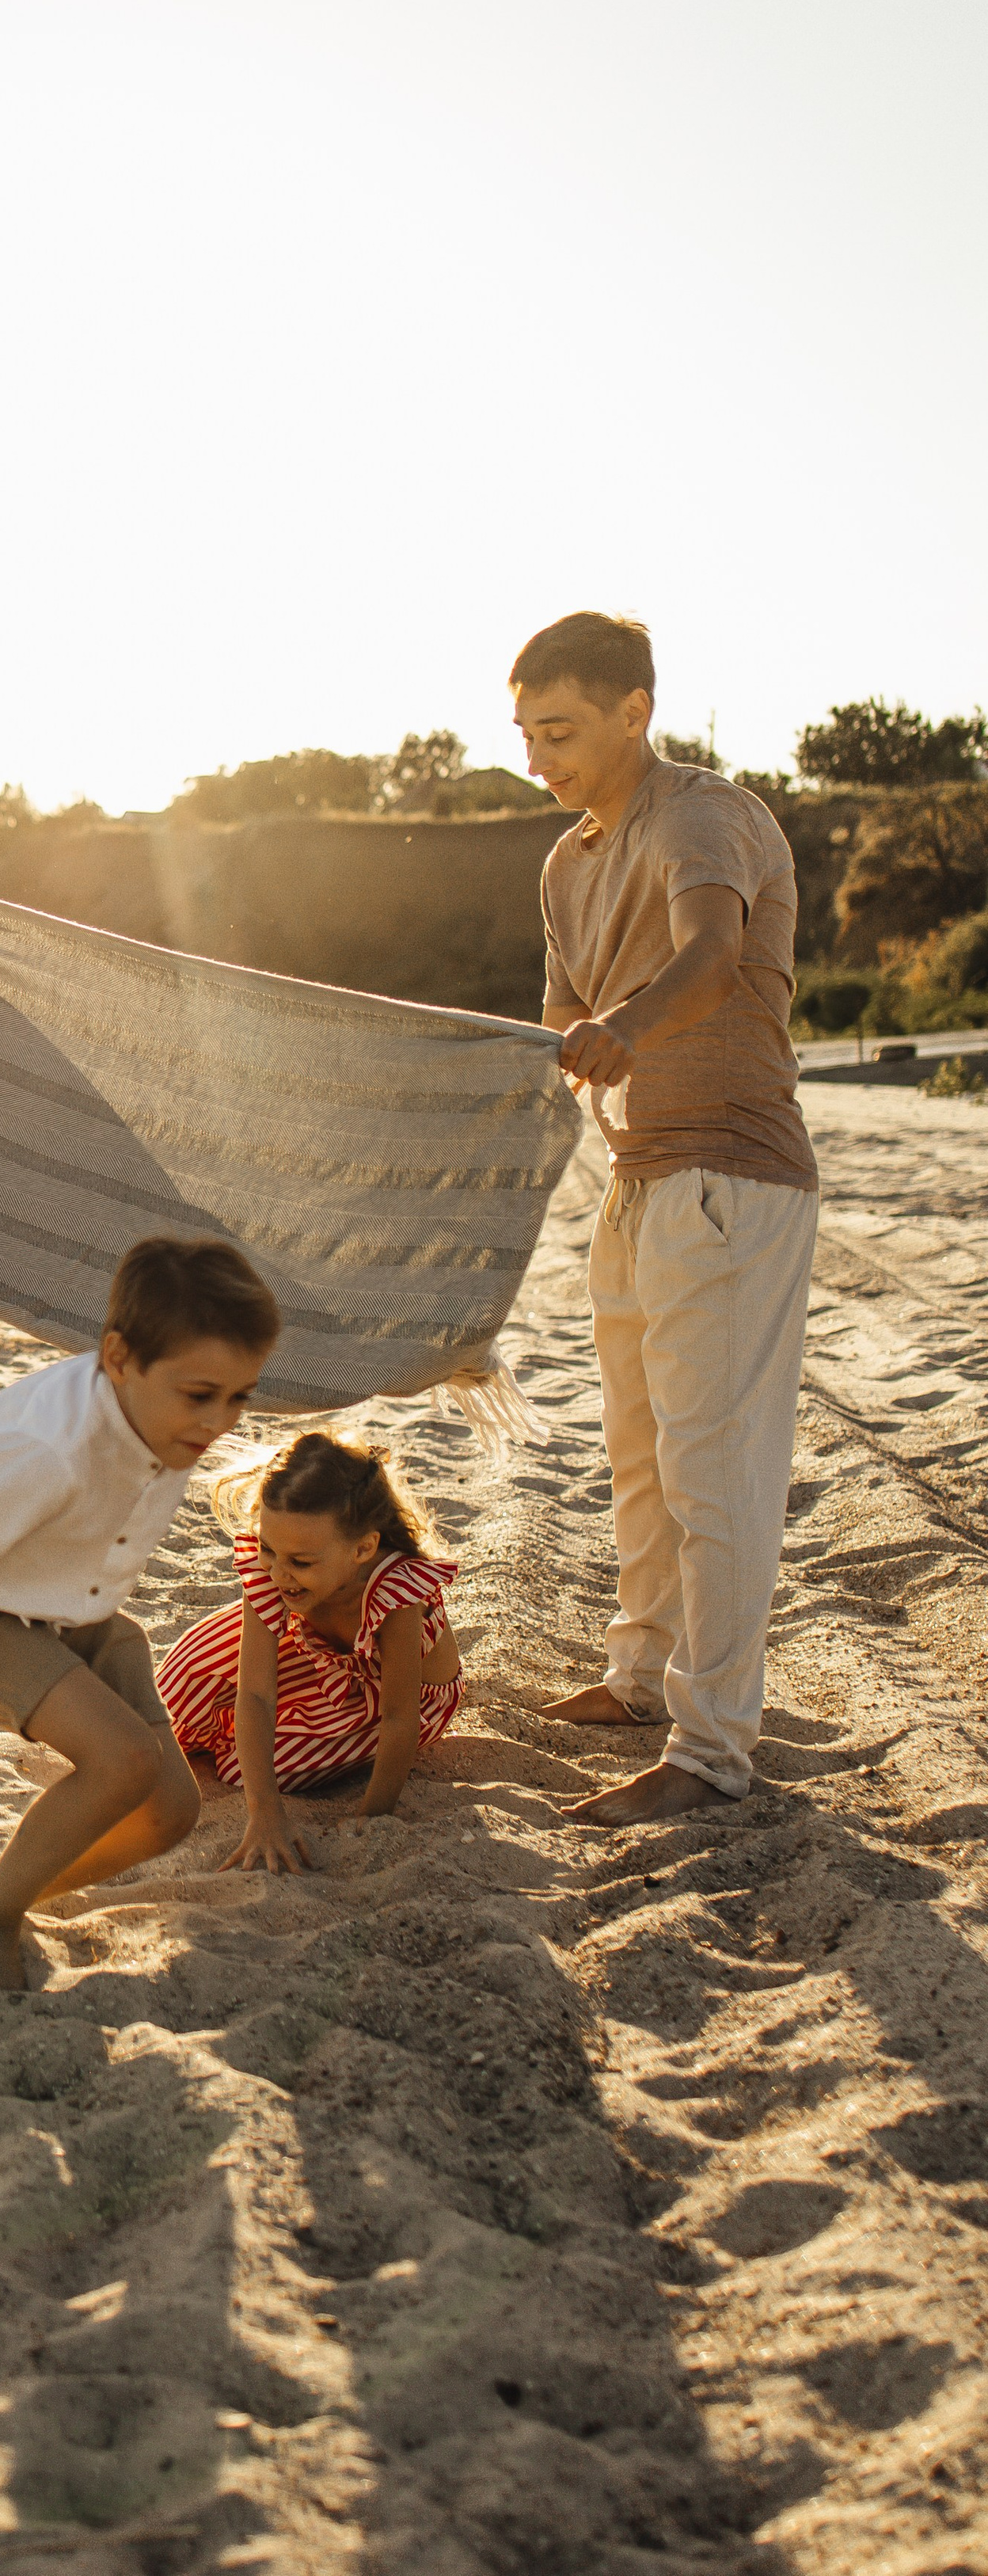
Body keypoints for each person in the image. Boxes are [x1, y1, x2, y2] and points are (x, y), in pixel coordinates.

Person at [511, 611, 818, 1823]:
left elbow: (712, 960)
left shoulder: (702, 815)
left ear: (634, 712)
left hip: (729, 1178)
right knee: (637, 1452)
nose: (538, 758)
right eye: (527, 733)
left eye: (560, 731)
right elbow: (559, 1030)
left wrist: (625, 1029)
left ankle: (712, 1751)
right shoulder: (565, 864)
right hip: (635, 1182)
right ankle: (639, 1678)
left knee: (713, 1469)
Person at [0, 1235, 281, 1989]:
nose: (221, 1421)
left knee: (171, 1809)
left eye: (240, 1397)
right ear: (119, 1358)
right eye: (200, 1396)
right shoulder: (44, 1449)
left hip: (74, 1609)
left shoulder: (160, 1405)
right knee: (123, 1761)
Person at [158, 1430, 461, 1861]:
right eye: (268, 1549)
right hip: (323, 1657)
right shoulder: (278, 1565)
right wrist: (264, 1813)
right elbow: (256, 1693)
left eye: (300, 1562)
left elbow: (399, 1718)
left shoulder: (394, 1590)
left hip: (398, 1697)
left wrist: (373, 1817)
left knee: (258, 1767)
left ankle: (231, 1739)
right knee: (192, 1667)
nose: (278, 1573)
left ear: (363, 1548)